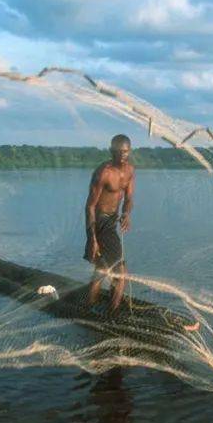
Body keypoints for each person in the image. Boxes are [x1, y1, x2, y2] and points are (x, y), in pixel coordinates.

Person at [84, 134, 134, 314]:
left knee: (102, 269)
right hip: (100, 221)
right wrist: (92, 239)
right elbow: (89, 207)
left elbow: (129, 198)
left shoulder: (129, 171)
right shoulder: (103, 173)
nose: (122, 156)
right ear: (111, 152)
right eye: (118, 152)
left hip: (112, 220)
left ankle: (88, 308)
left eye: (125, 152)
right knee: (121, 272)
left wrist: (126, 213)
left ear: (130, 151)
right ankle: (112, 314)